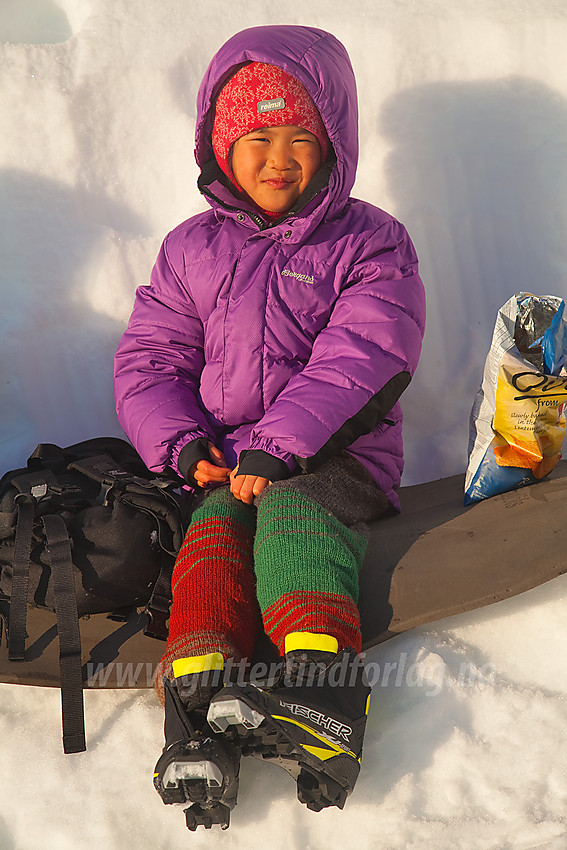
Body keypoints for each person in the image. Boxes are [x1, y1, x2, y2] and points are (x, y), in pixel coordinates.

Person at [114, 24, 425, 830]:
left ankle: (321, 695)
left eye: (300, 138)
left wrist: (277, 448)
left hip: (335, 456)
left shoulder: (369, 241)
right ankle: (197, 710)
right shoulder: (191, 250)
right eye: (256, 136)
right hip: (228, 464)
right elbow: (150, 359)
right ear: (222, 146)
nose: (278, 157)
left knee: (288, 516)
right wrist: (184, 445)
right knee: (211, 535)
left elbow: (363, 353)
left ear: (333, 146)